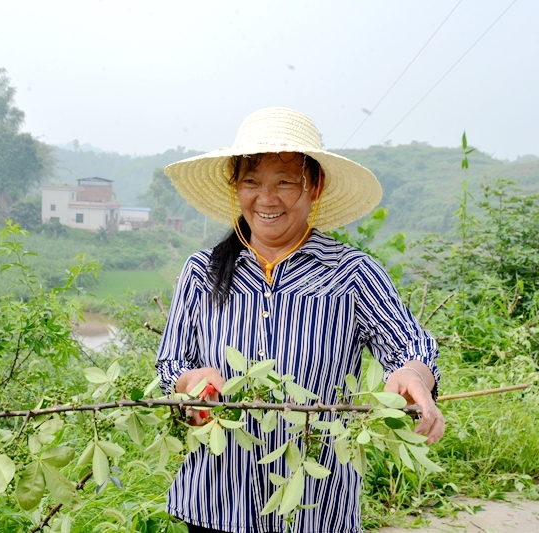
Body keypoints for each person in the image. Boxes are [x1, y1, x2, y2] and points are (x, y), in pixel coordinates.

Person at [156, 107, 444, 533]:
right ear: (237, 188)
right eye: (251, 182)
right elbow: (170, 365)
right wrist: (191, 385)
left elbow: (409, 347)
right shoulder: (203, 271)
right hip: (214, 499)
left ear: (315, 186)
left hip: (316, 504)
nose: (266, 199)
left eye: (285, 182)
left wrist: (414, 374)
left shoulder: (351, 273)